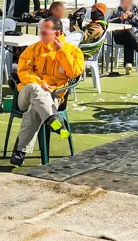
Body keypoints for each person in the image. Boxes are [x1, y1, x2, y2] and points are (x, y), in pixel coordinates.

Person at [9, 17, 85, 166]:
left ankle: (20, 151)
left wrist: (62, 52)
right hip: (26, 93)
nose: (40, 36)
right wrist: (40, 83)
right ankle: (53, 119)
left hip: (53, 97)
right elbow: (23, 71)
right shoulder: (33, 49)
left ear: (56, 33)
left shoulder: (73, 51)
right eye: (40, 32)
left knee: (34, 109)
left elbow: (74, 72)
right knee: (35, 89)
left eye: (44, 33)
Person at [108, 0, 138, 74]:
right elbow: (108, 22)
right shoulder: (118, 10)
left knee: (128, 36)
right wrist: (119, 19)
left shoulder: (137, 9)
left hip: (133, 35)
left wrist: (132, 16)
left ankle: (128, 65)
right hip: (118, 35)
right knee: (127, 32)